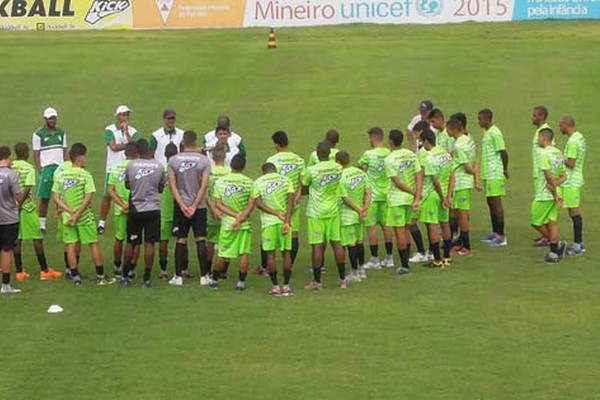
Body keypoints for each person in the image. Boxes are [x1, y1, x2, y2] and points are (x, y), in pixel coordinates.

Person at [52, 143, 115, 285]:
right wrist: (78, 213)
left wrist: (69, 211)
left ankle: (75, 277)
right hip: (84, 216)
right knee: (93, 244)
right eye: (84, 156)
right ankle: (100, 277)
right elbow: (88, 197)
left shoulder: (61, 174)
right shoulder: (85, 175)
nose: (86, 159)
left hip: (68, 217)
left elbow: (56, 197)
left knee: (70, 245)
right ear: (79, 158)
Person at [12, 142, 62, 281]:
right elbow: (27, 188)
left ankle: (19, 271)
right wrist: (20, 204)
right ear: (26, 153)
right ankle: (45, 270)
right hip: (26, 208)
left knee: (18, 238)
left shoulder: (11, 166)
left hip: (12, 207)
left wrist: (15, 204)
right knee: (37, 237)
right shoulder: (28, 168)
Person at [168, 130, 211, 286]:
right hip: (198, 206)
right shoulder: (204, 161)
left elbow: (173, 186)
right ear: (196, 141)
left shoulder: (173, 160)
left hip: (181, 206)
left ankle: (178, 277)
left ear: (183, 142)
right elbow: (204, 185)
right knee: (200, 239)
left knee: (181, 239)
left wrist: (182, 205)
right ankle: (204, 276)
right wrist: (194, 206)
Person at [121, 139, 166, 288]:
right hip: (153, 209)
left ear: (138, 151)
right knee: (150, 244)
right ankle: (146, 278)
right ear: (150, 150)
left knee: (131, 242)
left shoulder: (131, 165)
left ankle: (125, 276)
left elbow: (127, 185)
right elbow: (161, 188)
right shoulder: (159, 166)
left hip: (135, 208)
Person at [302, 142, 347, 291]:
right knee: (337, 244)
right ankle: (343, 280)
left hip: (316, 213)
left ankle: (317, 282)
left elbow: (304, 188)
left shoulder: (311, 170)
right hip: (333, 210)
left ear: (317, 153)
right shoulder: (338, 168)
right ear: (329, 154)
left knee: (317, 246)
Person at [209, 155, 255, 292]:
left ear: (231, 166)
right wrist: (240, 218)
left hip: (228, 224)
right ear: (244, 167)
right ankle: (240, 284)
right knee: (244, 253)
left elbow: (218, 204)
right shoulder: (250, 183)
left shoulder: (221, 182)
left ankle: (214, 281)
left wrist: (234, 217)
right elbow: (251, 205)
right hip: (245, 224)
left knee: (223, 253)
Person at [264, 130, 305, 267]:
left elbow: (268, 181)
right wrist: (297, 196)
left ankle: (267, 266)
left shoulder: (272, 160)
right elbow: (301, 181)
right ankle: (289, 264)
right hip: (293, 203)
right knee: (293, 233)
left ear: (276, 145)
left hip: (277, 203)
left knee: (271, 235)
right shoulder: (299, 160)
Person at [253, 163, 295, 296]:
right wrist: (287, 221)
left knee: (271, 254)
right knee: (286, 253)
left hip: (269, 224)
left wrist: (274, 213)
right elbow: (291, 202)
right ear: (275, 170)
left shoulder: (258, 182)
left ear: (264, 172)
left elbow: (258, 203)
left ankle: (276, 287)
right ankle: (287, 286)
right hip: (285, 222)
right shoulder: (286, 180)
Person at [384, 130, 422, 275]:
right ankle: (406, 262)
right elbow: (419, 175)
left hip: (397, 200)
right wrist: (417, 195)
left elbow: (397, 182)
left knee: (400, 232)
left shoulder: (389, 159)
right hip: (410, 200)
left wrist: (414, 193)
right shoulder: (411, 154)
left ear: (391, 142)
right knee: (406, 229)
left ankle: (405, 266)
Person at [98, 105, 140, 235]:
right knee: (107, 195)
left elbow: (136, 147)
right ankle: (101, 223)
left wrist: (126, 132)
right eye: (122, 114)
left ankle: (131, 217)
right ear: (117, 116)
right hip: (112, 168)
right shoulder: (110, 129)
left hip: (130, 168)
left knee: (131, 194)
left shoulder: (132, 131)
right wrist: (128, 146)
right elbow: (113, 147)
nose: (125, 117)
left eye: (127, 114)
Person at [358, 127, 394, 269]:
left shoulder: (368, 154)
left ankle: (375, 260)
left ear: (373, 138)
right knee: (386, 225)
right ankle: (389, 258)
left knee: (371, 227)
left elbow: (361, 167)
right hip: (386, 194)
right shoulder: (389, 153)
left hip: (372, 196)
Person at [419, 129, 455, 268]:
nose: (423, 146)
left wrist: (441, 197)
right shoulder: (446, 155)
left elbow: (435, 180)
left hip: (432, 195)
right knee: (445, 223)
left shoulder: (429, 158)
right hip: (446, 194)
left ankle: (437, 260)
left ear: (427, 141)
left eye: (422, 143)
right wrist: (448, 196)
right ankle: (447, 257)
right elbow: (452, 176)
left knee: (432, 226)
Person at [531, 128, 567, 263]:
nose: (538, 140)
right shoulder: (558, 152)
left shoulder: (544, 154)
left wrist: (553, 192)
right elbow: (564, 176)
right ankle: (553, 254)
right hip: (556, 193)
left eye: (539, 138)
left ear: (544, 139)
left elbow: (548, 177)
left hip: (544, 195)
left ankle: (557, 245)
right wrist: (556, 189)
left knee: (535, 222)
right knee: (552, 223)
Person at [32, 107, 68, 234]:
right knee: (45, 197)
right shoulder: (38, 134)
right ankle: (42, 224)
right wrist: (40, 170)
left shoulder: (61, 133)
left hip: (60, 168)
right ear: (45, 119)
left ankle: (62, 221)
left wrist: (67, 166)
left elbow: (65, 151)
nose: (52, 120)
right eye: (50, 118)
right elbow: (36, 153)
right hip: (46, 168)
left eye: (54, 118)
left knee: (61, 197)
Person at [447, 118, 480, 256]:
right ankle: (461, 244)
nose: (447, 131)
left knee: (462, 215)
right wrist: (476, 178)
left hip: (461, 182)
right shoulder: (468, 140)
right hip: (465, 182)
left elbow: (467, 167)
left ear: (454, 129)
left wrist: (474, 174)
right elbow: (475, 161)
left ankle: (466, 246)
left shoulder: (459, 146)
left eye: (448, 129)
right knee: (460, 213)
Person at [336, 151, 370, 281]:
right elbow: (368, 192)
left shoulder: (341, 176)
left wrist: (358, 210)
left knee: (351, 245)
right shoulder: (360, 173)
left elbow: (345, 198)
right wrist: (364, 209)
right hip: (360, 215)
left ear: (338, 162)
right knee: (359, 242)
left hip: (347, 216)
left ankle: (355, 273)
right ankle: (362, 270)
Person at [107, 141, 139, 278]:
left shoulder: (115, 168)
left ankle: (117, 265)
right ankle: (131, 268)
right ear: (137, 153)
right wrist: (130, 206)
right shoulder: (138, 168)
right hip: (136, 208)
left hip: (119, 209)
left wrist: (122, 204)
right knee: (135, 240)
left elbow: (110, 190)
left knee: (119, 238)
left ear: (125, 153)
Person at [478, 109, 509, 246]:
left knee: (496, 203)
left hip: (495, 173)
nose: (479, 122)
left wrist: (505, 169)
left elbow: (503, 152)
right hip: (488, 173)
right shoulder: (486, 132)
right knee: (490, 202)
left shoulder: (495, 132)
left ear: (487, 119)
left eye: (480, 119)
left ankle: (501, 236)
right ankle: (495, 233)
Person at [559, 116, 586, 256]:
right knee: (573, 211)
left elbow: (571, 163)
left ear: (566, 125)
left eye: (560, 126)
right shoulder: (580, 137)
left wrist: (560, 159)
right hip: (576, 179)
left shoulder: (573, 142)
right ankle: (579, 243)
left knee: (574, 212)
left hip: (572, 181)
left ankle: (577, 245)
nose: (559, 128)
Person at [0, 146, 24, 294]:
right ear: (8, 158)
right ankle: (6, 285)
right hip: (9, 219)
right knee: (7, 250)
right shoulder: (11, 174)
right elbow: (19, 197)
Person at [407, 121, 431, 263]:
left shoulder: (422, 150)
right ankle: (432, 251)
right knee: (430, 222)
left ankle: (422, 252)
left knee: (412, 222)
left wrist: (417, 194)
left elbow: (421, 173)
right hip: (431, 190)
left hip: (423, 191)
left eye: (416, 134)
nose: (415, 138)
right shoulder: (434, 147)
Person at [206, 145, 231, 279]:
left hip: (212, 214)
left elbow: (206, 194)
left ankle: (209, 270)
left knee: (210, 241)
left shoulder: (209, 173)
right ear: (225, 156)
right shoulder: (230, 173)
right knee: (226, 241)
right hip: (227, 213)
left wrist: (214, 210)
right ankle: (223, 271)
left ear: (212, 157)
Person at [531, 106, 552, 246]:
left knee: (544, 205)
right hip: (538, 173)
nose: (532, 118)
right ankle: (547, 236)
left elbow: (550, 150)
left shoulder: (545, 132)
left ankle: (551, 238)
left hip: (543, 174)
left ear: (542, 116)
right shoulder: (539, 131)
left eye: (534, 115)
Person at [158, 143, 179, 279]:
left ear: (165, 155)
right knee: (180, 240)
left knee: (163, 241)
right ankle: (182, 269)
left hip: (163, 211)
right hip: (178, 209)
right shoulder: (178, 170)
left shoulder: (160, 169)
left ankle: (163, 270)